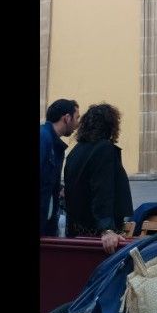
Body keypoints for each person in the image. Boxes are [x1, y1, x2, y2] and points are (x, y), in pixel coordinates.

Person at [64, 103, 134, 253]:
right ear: (110, 125)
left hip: (77, 231)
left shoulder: (75, 151)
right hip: (97, 235)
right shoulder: (104, 149)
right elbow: (102, 190)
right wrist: (107, 229)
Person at [40, 99, 79, 236]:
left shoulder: (53, 144)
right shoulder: (44, 139)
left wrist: (60, 188)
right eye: (76, 118)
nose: (77, 124)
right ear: (67, 118)